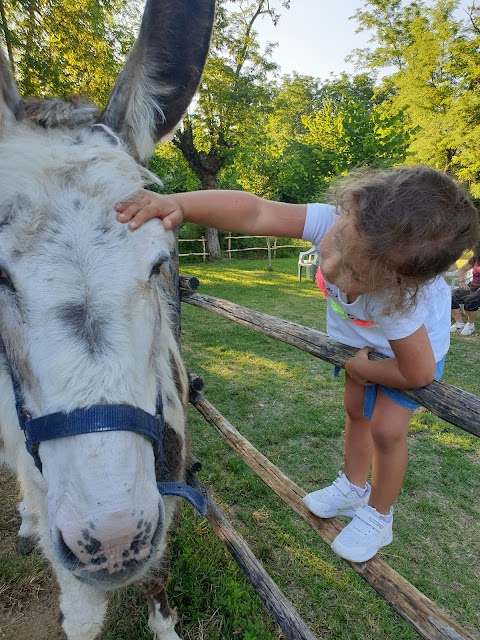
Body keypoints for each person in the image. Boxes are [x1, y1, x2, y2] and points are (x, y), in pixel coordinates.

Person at [115, 166, 479, 563]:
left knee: (388, 430)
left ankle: (379, 515)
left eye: (355, 273)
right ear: (348, 213)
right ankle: (353, 487)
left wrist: (365, 370)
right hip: (362, 346)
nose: (330, 268)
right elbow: (255, 212)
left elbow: (418, 372)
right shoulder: (338, 221)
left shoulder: (400, 303)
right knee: (355, 412)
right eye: (336, 243)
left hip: (408, 356)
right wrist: (177, 204)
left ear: (398, 284)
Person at [450, 249, 480, 336]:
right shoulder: (476, 257)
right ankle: (459, 323)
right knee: (450, 295)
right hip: (473, 286)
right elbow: (462, 270)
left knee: (471, 300)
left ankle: (470, 325)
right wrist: (461, 281)